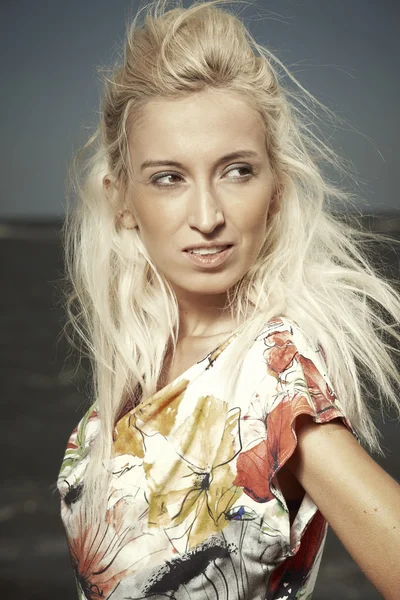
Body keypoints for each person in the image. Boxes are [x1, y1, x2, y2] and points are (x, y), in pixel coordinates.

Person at [57, 0, 400, 598]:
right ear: (122, 200)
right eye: (169, 177)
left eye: (237, 171)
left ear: (275, 189)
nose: (208, 216)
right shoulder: (146, 358)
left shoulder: (272, 374)